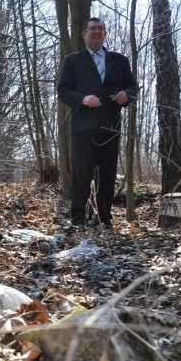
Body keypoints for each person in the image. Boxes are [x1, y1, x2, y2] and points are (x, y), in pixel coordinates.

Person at [57, 17, 137, 228]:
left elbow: (132, 88)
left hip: (110, 125)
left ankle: (103, 218)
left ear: (105, 34)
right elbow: (63, 90)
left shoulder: (119, 60)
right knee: (81, 174)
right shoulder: (73, 60)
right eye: (92, 29)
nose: (97, 32)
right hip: (83, 126)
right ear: (84, 34)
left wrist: (125, 95)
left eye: (101, 29)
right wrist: (82, 99)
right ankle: (78, 218)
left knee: (109, 174)